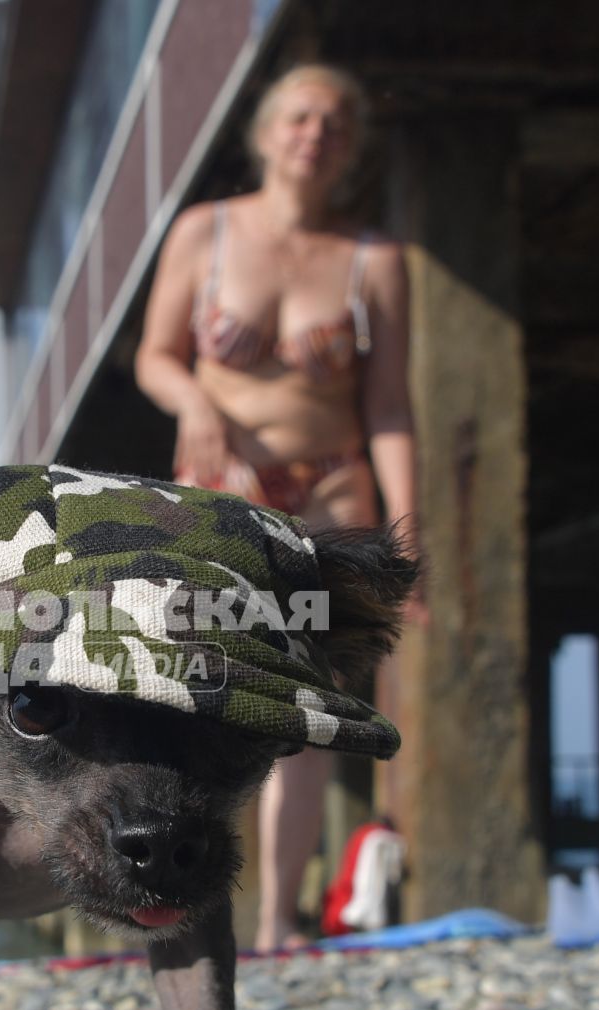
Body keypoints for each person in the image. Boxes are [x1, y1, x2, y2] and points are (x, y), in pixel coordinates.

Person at [135, 64, 418, 953]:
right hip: (227, 492)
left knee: (304, 704)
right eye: (299, 117)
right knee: (208, 696)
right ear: (264, 133)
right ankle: (188, 903)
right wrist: (195, 402)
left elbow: (390, 407)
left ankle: (276, 920)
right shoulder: (204, 233)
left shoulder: (375, 260)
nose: (315, 134)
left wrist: (411, 533)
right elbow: (155, 355)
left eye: (335, 121)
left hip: (332, 482)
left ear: (352, 145)